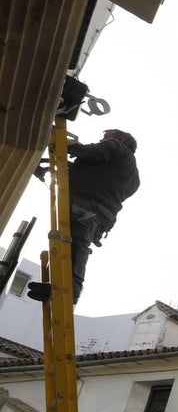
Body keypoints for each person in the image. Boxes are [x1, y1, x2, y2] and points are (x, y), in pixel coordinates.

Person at [28, 128, 140, 304]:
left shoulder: (115, 147)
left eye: (107, 136)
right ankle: (58, 287)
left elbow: (92, 153)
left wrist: (69, 145)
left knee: (76, 244)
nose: (102, 139)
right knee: (72, 245)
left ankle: (70, 290)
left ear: (121, 139)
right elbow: (95, 175)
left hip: (88, 207)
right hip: (102, 216)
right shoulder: (132, 174)